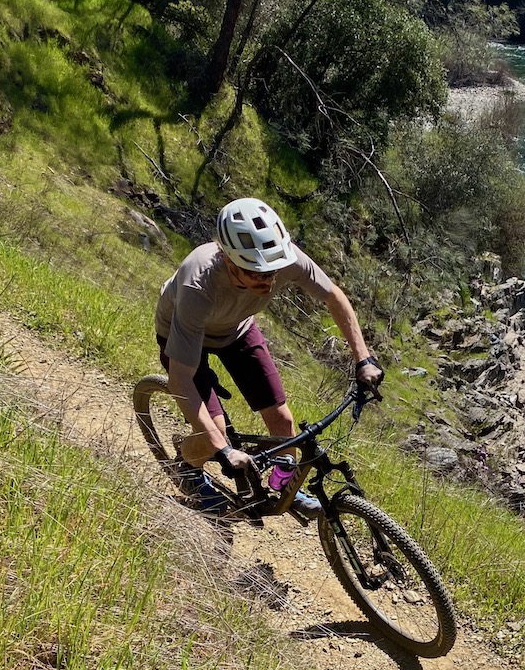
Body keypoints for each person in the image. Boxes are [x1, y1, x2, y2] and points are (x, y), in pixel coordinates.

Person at [155, 197, 383, 512]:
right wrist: (223, 450)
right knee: (213, 436)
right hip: (184, 333)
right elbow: (180, 379)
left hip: (236, 328)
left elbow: (334, 297)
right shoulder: (199, 285)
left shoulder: (284, 259)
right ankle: (186, 464)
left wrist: (363, 358)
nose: (269, 280)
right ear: (228, 260)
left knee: (282, 420)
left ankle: (280, 489)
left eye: (272, 270)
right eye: (257, 273)